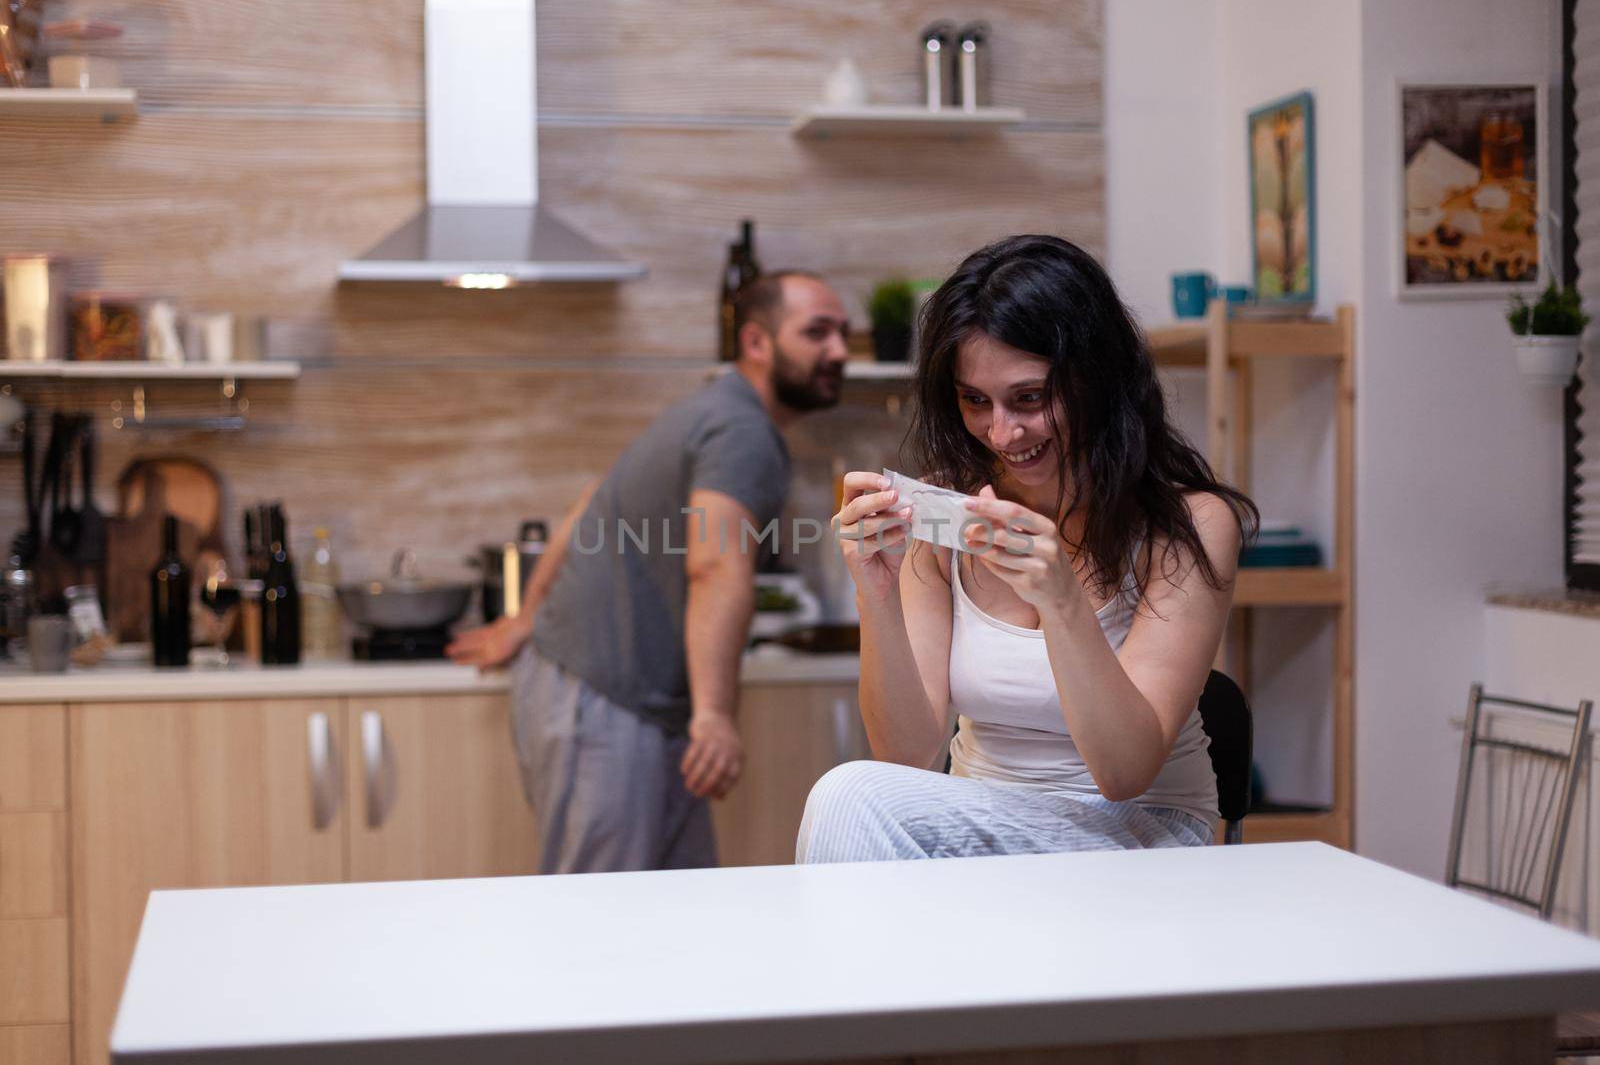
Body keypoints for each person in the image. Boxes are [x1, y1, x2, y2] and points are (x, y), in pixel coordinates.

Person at [797, 235, 1257, 863]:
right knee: (853, 792)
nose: (1002, 433)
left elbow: (1124, 774)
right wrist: (875, 595)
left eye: (1030, 398)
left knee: (848, 794)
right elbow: (905, 756)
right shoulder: (948, 516)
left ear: (1097, 377)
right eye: (975, 401)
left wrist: (1062, 601)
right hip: (982, 827)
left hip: (1142, 834)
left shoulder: (1191, 524)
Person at [448, 270, 850, 873]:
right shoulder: (742, 431)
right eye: (817, 332)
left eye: (844, 333)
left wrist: (528, 616)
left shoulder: (713, 411)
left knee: (668, 922)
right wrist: (714, 715)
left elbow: (590, 499)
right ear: (757, 344)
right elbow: (716, 564)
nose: (839, 351)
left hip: (599, 694)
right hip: (609, 705)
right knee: (602, 928)